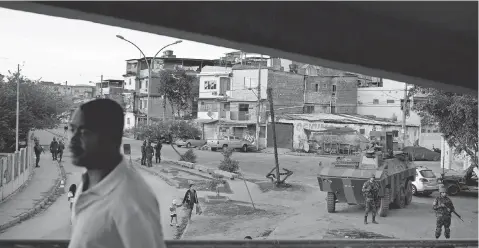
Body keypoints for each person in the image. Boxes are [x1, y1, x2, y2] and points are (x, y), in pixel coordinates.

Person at [68, 99, 166, 248]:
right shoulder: (90, 181)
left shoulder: (131, 200)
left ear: (110, 138)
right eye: (72, 129)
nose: (72, 140)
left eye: (84, 132)